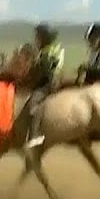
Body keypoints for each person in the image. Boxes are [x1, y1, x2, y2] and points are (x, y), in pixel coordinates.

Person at [24, 22, 66, 150]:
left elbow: (44, 72)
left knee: (33, 103)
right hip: (50, 80)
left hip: (49, 83)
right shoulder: (49, 50)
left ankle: (35, 135)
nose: (36, 39)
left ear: (44, 39)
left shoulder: (47, 53)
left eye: (38, 37)